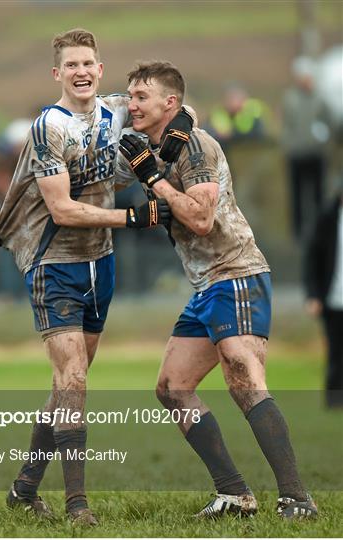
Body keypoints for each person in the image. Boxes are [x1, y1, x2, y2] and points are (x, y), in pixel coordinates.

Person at [0, 29, 193, 526]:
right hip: (54, 262)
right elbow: (62, 209)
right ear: (58, 74)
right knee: (73, 379)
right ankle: (78, 506)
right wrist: (134, 218)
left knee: (67, 386)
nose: (80, 72)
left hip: (102, 264)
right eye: (71, 65)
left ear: (100, 70)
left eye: (88, 64)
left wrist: (179, 128)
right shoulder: (49, 126)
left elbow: (175, 107)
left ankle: (24, 489)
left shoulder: (116, 109)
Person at [118, 61, 318, 519]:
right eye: (130, 96)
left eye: (140, 97)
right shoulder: (148, 140)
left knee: (243, 376)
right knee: (172, 388)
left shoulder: (197, 146)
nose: (131, 105)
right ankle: (234, 493)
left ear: (169, 103)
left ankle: (296, 498)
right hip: (206, 284)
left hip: (237, 271)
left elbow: (202, 220)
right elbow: (103, 111)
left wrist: (156, 182)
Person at [282, 56, 331, 242]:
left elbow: (328, 120)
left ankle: (320, 231)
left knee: (318, 194)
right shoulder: (290, 98)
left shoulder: (320, 98)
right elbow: (286, 124)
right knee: (297, 195)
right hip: (296, 154)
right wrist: (289, 144)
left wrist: (323, 137)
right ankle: (298, 234)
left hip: (316, 154)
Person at [303, 186, 343, 408]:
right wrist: (313, 295)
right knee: (336, 352)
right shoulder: (327, 218)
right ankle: (334, 401)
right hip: (334, 299)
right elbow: (312, 258)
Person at [203, 83, 269, 149]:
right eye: (229, 99)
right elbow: (209, 130)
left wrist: (232, 133)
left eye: (235, 98)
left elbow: (258, 133)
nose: (232, 102)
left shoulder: (253, 110)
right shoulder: (219, 112)